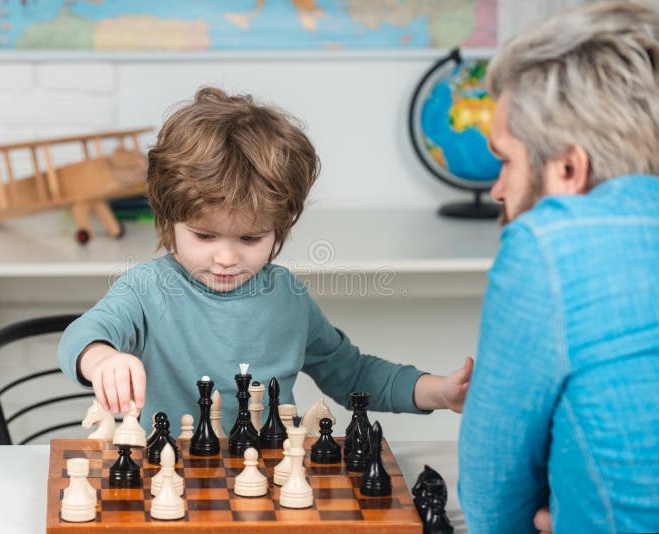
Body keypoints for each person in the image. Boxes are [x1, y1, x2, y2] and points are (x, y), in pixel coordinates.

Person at [58, 87, 473, 433]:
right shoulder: (147, 290)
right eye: (203, 235)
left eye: (251, 238)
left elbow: (353, 375)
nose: (225, 257)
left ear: (280, 228)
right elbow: (81, 336)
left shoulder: (287, 297)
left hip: (269, 486)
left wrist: (440, 391)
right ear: (168, 219)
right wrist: (104, 359)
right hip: (174, 481)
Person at [459, 2, 659, 533]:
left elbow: (491, 501)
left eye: (506, 161)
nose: (497, 189)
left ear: (569, 169)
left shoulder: (549, 244)